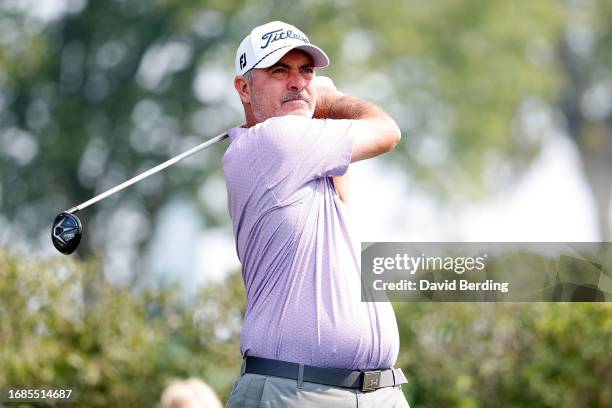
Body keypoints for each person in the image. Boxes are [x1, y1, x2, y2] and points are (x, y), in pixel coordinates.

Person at [223, 21, 409, 407]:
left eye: (306, 71)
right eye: (279, 71)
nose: (298, 82)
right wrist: (333, 97)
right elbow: (387, 131)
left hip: (377, 394)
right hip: (296, 390)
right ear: (244, 87)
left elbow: (342, 191)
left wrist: (313, 104)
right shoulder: (275, 140)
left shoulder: (301, 154)